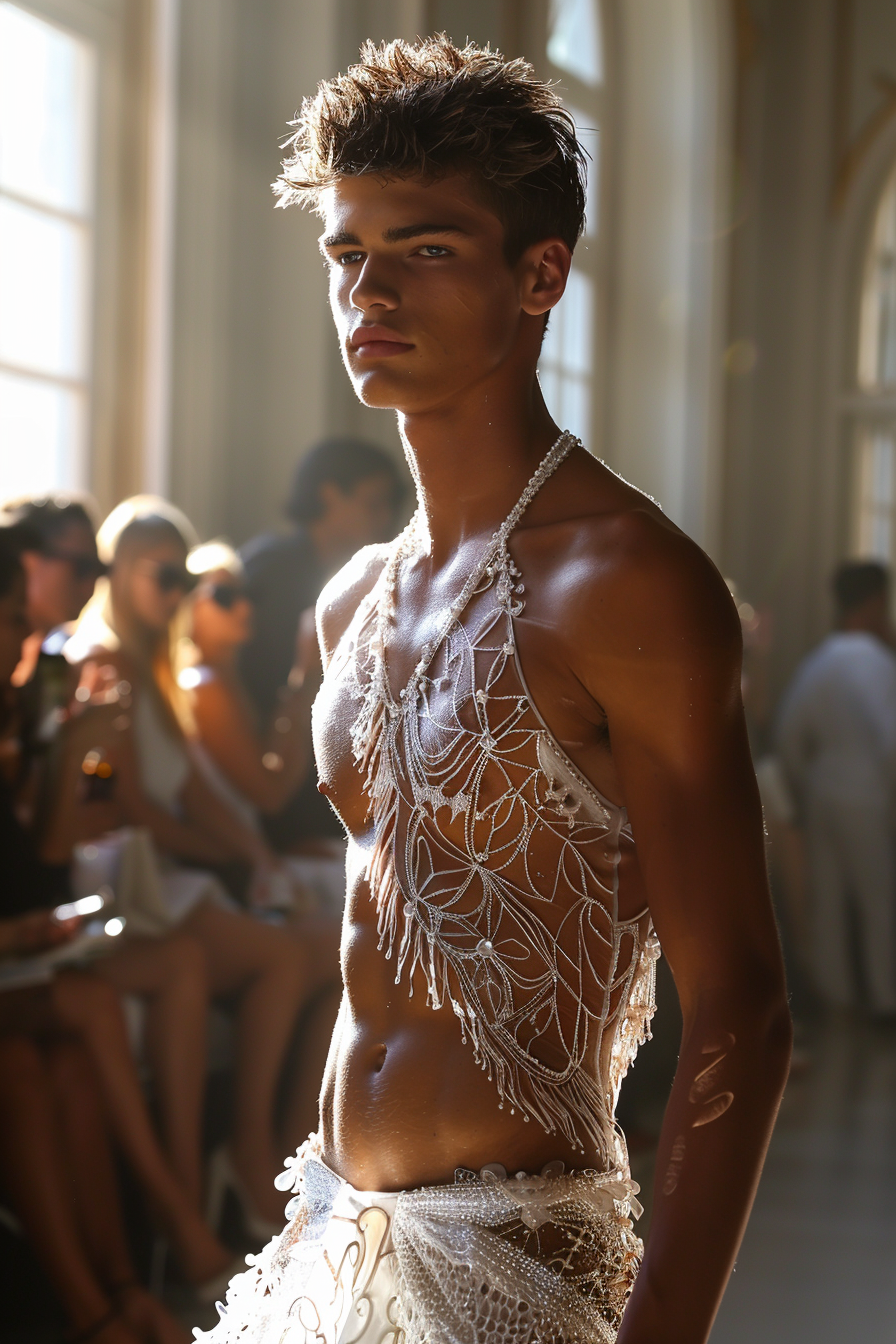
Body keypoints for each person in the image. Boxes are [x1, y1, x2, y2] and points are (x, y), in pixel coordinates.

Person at [203, 36, 791, 1344]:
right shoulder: (351, 598)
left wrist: (665, 1334)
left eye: (425, 250)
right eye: (348, 254)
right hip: (329, 1239)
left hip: (514, 1267)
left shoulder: (629, 582)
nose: (371, 291)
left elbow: (744, 1005)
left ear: (540, 275)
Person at [65, 497, 339, 1228]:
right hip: (123, 877)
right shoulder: (100, 665)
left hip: (165, 873)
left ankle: (283, 1153)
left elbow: (190, 794)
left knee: (319, 955)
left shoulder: (157, 670)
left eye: (185, 576)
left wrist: (251, 855)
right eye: (164, 574)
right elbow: (119, 805)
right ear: (117, 573)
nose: (178, 591)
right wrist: (234, 855)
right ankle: (254, 1157)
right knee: (285, 958)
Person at [0, 525, 234, 1341]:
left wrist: (78, 754)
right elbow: (121, 812)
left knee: (57, 1063)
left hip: (52, 914)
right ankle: (160, 1245)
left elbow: (59, 839)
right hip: (45, 932)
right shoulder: (80, 668)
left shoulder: (64, 682)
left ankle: (127, 1286)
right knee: (93, 1011)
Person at [238, 437, 403, 851]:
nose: (385, 518)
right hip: (273, 779)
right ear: (329, 495)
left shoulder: (363, 574)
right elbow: (263, 685)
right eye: (373, 503)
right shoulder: (270, 571)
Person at [778, 560, 896, 1016]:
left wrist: (806, 784)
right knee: (880, 897)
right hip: (866, 793)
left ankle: (837, 998)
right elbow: (892, 741)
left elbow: (790, 734)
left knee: (826, 899)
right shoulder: (881, 665)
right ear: (875, 603)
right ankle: (887, 998)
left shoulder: (820, 662)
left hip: (821, 790)